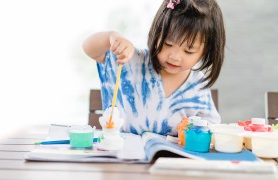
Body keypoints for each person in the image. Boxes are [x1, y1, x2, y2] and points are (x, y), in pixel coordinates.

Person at [82, 0, 225, 136]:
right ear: (157, 33)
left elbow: (211, 127)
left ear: (206, 51)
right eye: (168, 43)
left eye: (189, 51)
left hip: (169, 161)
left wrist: (192, 129)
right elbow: (89, 49)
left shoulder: (197, 86)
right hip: (120, 157)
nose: (174, 56)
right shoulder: (131, 62)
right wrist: (111, 38)